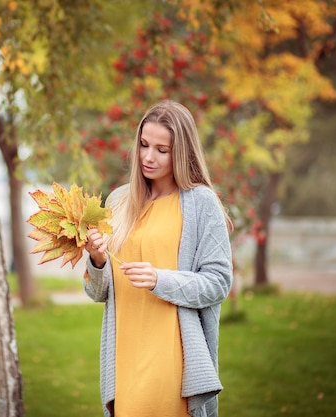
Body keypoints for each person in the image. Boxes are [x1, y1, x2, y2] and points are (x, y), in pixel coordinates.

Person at [83, 100, 233, 417]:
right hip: (124, 352)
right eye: (144, 145)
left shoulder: (200, 202)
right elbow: (99, 292)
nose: (149, 157)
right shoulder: (120, 200)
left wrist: (159, 279)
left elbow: (219, 283)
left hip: (171, 355)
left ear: (181, 152)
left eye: (162, 150)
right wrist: (97, 261)